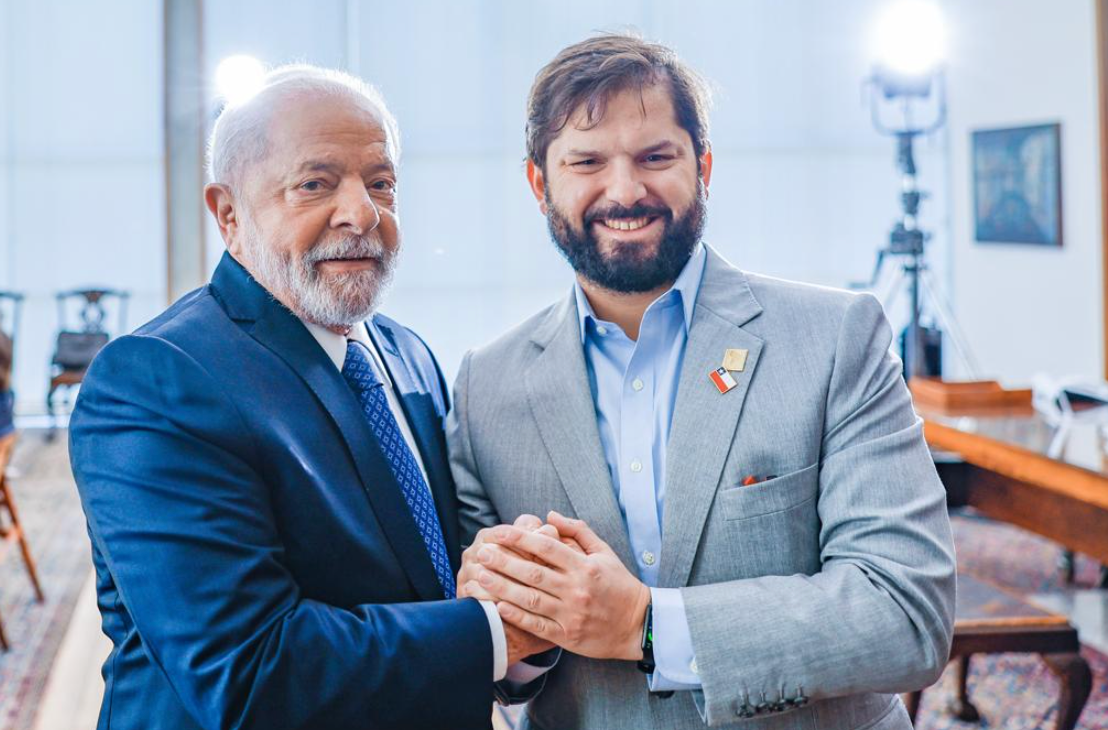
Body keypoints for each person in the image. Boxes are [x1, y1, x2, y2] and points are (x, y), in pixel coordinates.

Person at [449, 34, 956, 729]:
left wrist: (647, 626)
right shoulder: (484, 388)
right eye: (587, 162)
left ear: (704, 167)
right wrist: (515, 632)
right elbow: (500, 670)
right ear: (540, 184)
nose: (624, 191)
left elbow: (906, 616)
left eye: (655, 157)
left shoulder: (836, 339)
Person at [69, 64, 547, 730]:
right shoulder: (156, 379)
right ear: (229, 214)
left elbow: (436, 580)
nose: (362, 213)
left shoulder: (405, 353)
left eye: (381, 183)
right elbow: (249, 672)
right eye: (314, 184)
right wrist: (494, 636)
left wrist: (527, 634)